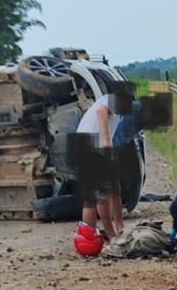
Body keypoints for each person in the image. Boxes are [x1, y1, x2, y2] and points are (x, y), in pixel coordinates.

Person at [71, 88, 171, 239]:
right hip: (91, 148)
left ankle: (115, 231)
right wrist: (107, 141)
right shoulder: (116, 102)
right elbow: (101, 111)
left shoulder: (125, 113)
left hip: (97, 149)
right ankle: (95, 237)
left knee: (109, 191)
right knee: (95, 197)